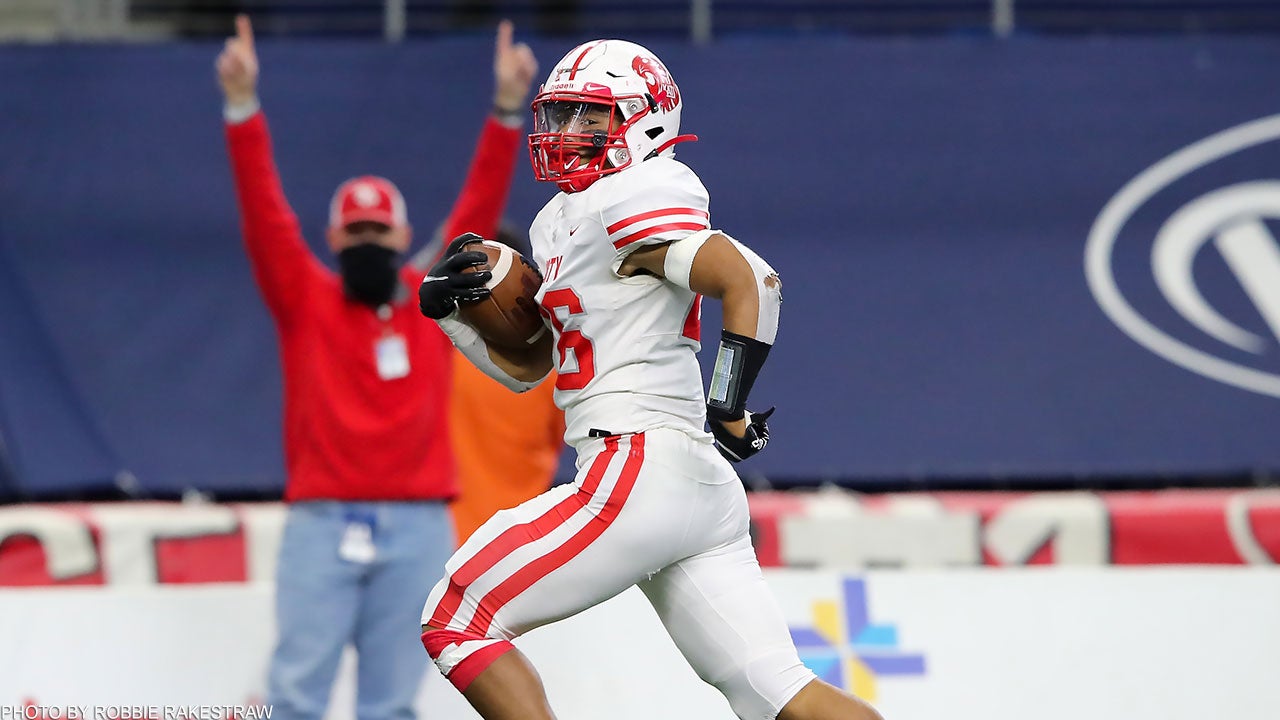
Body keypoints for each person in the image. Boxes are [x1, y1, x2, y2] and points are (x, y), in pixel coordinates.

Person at [417, 39, 885, 720]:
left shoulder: (638, 191)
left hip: (634, 465)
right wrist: (453, 318)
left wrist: (729, 401)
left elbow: (752, 278)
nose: (567, 133)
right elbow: (536, 368)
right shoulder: (562, 220)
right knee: (774, 692)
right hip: (682, 479)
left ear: (644, 120)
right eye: (563, 114)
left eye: (590, 116)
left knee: (455, 616)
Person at [215, 15, 538, 720]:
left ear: (402, 236)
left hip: (421, 527)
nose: (366, 242)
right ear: (333, 238)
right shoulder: (306, 300)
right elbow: (264, 214)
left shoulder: (431, 304)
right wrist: (241, 107)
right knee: (296, 696)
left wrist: (508, 111)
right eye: (354, 232)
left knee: (392, 707)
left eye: (377, 231)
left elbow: (477, 207)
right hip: (322, 524)